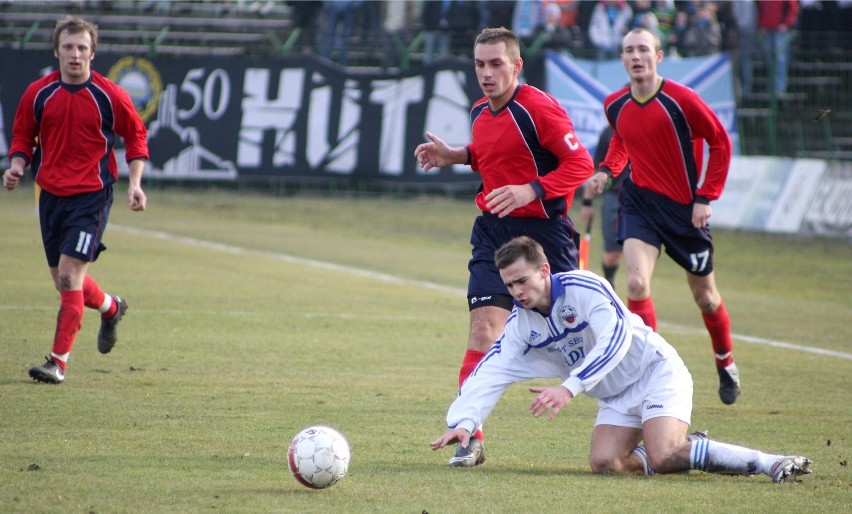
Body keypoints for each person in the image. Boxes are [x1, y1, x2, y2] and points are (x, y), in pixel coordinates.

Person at [431, 236, 813, 483]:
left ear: (544, 270)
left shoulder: (586, 286)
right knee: (605, 464)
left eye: (522, 281)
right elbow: (490, 371)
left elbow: (615, 338)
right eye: (509, 285)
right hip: (616, 397)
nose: (516, 292)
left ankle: (770, 463)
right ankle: (686, 444)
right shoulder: (520, 325)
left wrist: (569, 388)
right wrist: (466, 420)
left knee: (663, 458)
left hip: (655, 371)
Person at [414, 27, 594, 467]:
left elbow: (581, 164)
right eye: (480, 64)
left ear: (517, 65)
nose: (487, 73)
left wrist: (531, 190)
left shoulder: (540, 109)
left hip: (543, 236)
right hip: (493, 233)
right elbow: (492, 152)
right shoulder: (480, 109)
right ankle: (470, 438)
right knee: (482, 331)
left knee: (584, 340)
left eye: (496, 64)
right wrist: (454, 156)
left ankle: (654, 407)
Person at [586, 28, 740, 405]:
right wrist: (608, 169)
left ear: (658, 55)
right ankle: (653, 373)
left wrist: (705, 197)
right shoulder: (614, 103)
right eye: (628, 51)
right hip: (640, 204)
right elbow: (622, 138)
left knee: (706, 297)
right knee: (636, 284)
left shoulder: (682, 100)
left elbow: (720, 141)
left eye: (643, 49)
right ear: (622, 60)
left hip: (686, 212)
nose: (636, 56)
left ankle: (725, 362)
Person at [3, 16, 148, 384]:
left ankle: (58, 362)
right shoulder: (39, 93)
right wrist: (16, 166)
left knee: (69, 276)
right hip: (50, 196)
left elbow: (136, 137)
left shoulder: (110, 95)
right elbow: (23, 137)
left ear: (92, 53)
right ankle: (111, 307)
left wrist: (135, 183)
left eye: (82, 47)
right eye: (68, 46)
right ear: (57, 50)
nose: (75, 54)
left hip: (91, 197)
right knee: (64, 280)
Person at [580, 125, 626, 290]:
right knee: (612, 255)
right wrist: (587, 202)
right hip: (615, 197)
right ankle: (610, 287)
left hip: (644, 199)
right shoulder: (608, 132)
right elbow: (597, 171)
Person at [756, 0, 799, 95]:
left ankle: (780, 88)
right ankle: (771, 88)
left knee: (780, 59)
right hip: (766, 29)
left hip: (780, 29)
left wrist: (786, 23)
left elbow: (792, 8)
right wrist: (761, 23)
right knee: (769, 60)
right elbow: (760, 7)